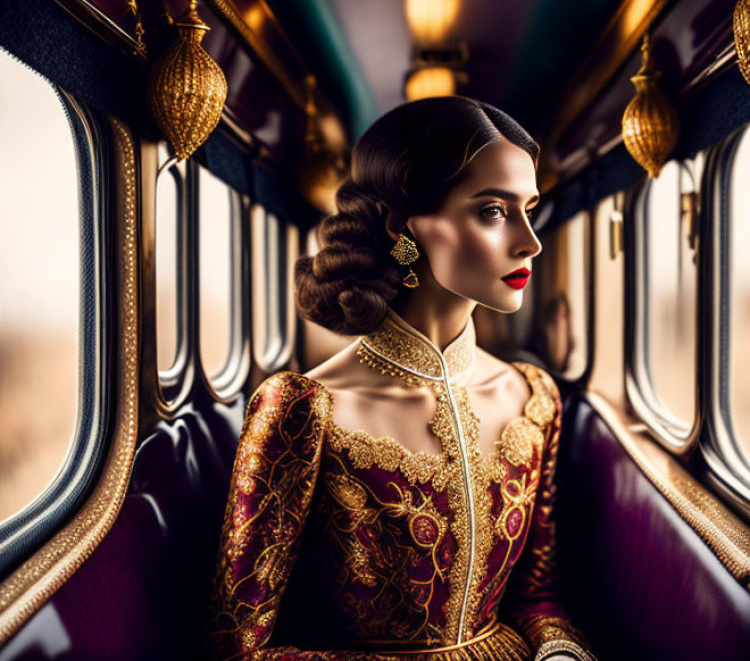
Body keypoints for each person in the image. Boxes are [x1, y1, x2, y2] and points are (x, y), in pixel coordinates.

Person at [205, 97, 595, 661]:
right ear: (403, 226)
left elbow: (537, 596)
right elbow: (236, 651)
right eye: (492, 210)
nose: (529, 241)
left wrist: (559, 651)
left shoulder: (532, 398)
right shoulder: (302, 410)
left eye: (529, 208)